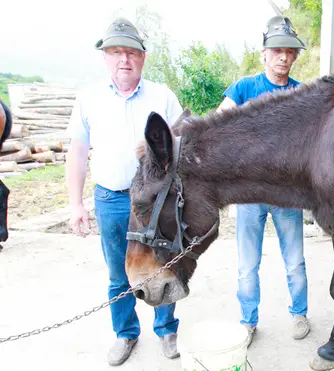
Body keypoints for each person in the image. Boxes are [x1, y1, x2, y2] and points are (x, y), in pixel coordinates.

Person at [65, 17, 184, 366]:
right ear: (105, 58)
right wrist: (76, 204)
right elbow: (77, 152)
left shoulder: (162, 95)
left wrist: (164, 145)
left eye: (131, 52)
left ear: (143, 58)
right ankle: (126, 333)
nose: (124, 59)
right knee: (119, 272)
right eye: (116, 52)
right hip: (112, 199)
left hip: (157, 201)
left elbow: (184, 137)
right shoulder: (88, 98)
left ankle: (166, 329)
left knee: (163, 262)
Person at [216, 15, 310, 347]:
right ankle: (248, 320)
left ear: (295, 55)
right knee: (246, 265)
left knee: (295, 260)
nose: (283, 57)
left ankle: (299, 313)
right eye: (276, 50)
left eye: (289, 51)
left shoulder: (302, 94)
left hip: (287, 194)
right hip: (250, 192)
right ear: (264, 53)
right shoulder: (244, 88)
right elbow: (218, 124)